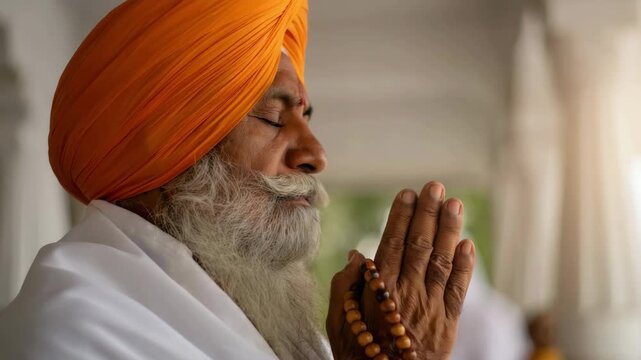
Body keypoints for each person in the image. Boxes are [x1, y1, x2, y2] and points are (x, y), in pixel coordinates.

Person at [0, 1, 476, 359]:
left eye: (307, 118)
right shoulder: (75, 331)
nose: (316, 154)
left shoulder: (234, 300)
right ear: (171, 149)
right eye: (273, 117)